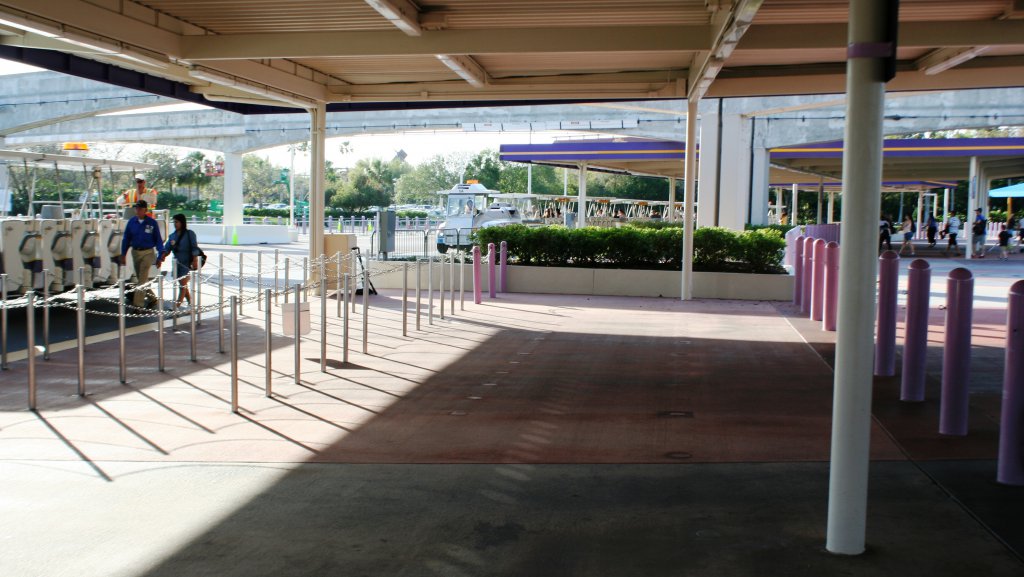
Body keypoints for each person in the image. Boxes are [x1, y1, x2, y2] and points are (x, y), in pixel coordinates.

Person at [120, 200, 163, 309]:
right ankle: (152, 298)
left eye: (140, 208)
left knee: (142, 277)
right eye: (137, 208)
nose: (138, 210)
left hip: (148, 252)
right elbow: (126, 239)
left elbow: (158, 240)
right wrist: (123, 254)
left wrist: (160, 256)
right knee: (142, 279)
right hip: (135, 252)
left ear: (145, 210)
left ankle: (138, 305)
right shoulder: (131, 222)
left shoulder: (152, 223)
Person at [158, 213, 202, 307]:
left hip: (187, 263)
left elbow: (194, 247)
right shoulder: (172, 236)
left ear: (182, 222)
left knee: (182, 283)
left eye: (177, 222)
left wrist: (195, 260)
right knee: (182, 283)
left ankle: (177, 304)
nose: (175, 224)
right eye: (174, 222)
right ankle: (190, 301)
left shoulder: (190, 234)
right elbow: (167, 249)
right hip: (176, 263)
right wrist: (162, 256)